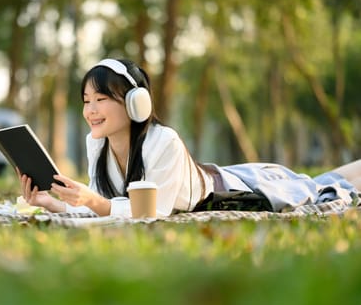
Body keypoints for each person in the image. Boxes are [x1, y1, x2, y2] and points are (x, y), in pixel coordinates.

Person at [19, 58, 361, 217]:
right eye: (86, 102)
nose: (90, 110)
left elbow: (153, 211)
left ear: (137, 103)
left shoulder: (162, 141)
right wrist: (54, 204)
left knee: (321, 187)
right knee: (318, 180)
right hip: (218, 178)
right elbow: (104, 208)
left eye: (101, 100)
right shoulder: (98, 143)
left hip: (237, 190)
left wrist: (92, 201)